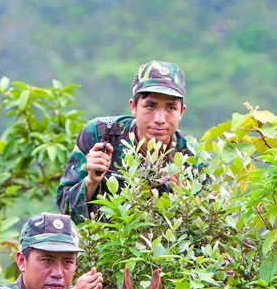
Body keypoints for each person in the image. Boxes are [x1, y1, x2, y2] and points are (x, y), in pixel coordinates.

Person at [56, 60, 197, 223]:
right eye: (150, 106)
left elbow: (207, 228)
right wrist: (91, 182)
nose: (160, 119)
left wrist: (185, 199)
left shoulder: (191, 154)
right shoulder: (101, 134)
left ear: (182, 112)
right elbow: (64, 211)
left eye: (170, 108)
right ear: (134, 107)